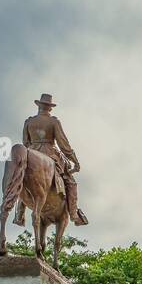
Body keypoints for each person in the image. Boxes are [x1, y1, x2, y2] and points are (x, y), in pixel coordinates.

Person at [15, 93, 88, 226]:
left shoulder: (29, 122)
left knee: (23, 179)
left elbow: (25, 142)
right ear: (50, 108)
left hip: (30, 153)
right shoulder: (54, 122)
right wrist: (75, 161)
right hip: (50, 153)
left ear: (39, 106)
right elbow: (63, 144)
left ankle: (19, 214)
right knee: (70, 182)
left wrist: (31, 152)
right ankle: (74, 215)